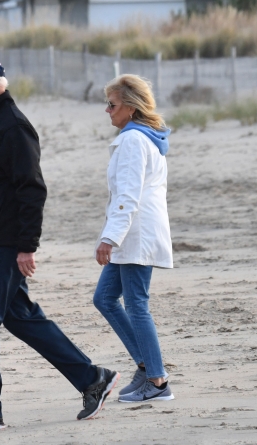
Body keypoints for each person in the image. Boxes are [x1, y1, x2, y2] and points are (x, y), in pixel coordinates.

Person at [0, 54, 119, 432]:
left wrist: (27, 246)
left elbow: (32, 190)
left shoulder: (14, 128)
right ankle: (93, 380)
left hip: (4, 246)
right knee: (23, 319)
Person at [93, 74, 174, 404]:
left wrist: (109, 239)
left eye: (111, 104)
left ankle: (157, 381)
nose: (107, 111)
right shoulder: (142, 138)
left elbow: (127, 196)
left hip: (135, 235)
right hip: (135, 234)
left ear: (129, 107)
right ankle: (147, 366)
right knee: (104, 298)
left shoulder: (134, 141)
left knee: (136, 304)